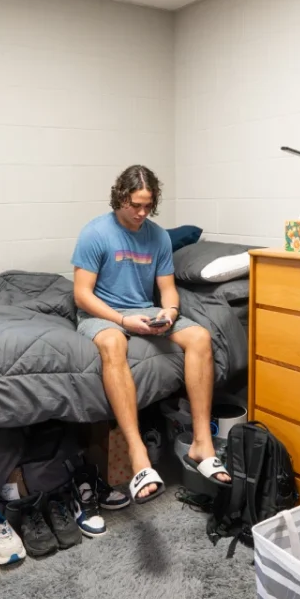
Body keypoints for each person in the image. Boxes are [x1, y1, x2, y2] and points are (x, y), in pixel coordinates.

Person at [72, 165, 231, 505]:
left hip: (145, 310)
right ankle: (138, 455)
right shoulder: (95, 233)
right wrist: (122, 321)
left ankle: (202, 444)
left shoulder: (158, 237)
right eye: (135, 205)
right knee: (113, 342)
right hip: (102, 313)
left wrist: (169, 312)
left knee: (200, 337)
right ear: (120, 198)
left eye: (148, 206)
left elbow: (168, 289)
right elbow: (82, 295)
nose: (142, 213)